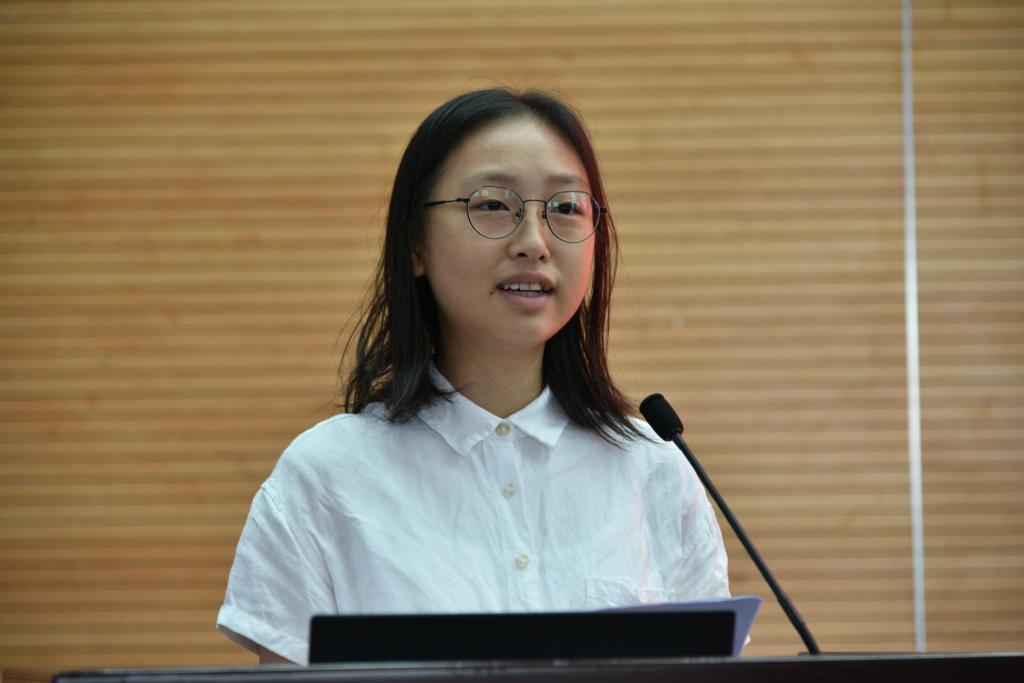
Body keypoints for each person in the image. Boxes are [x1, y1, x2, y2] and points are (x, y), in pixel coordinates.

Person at [216, 88, 730, 664]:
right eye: (492, 205)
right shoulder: (326, 477)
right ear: (416, 243)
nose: (534, 243)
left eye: (565, 208)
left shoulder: (656, 471)